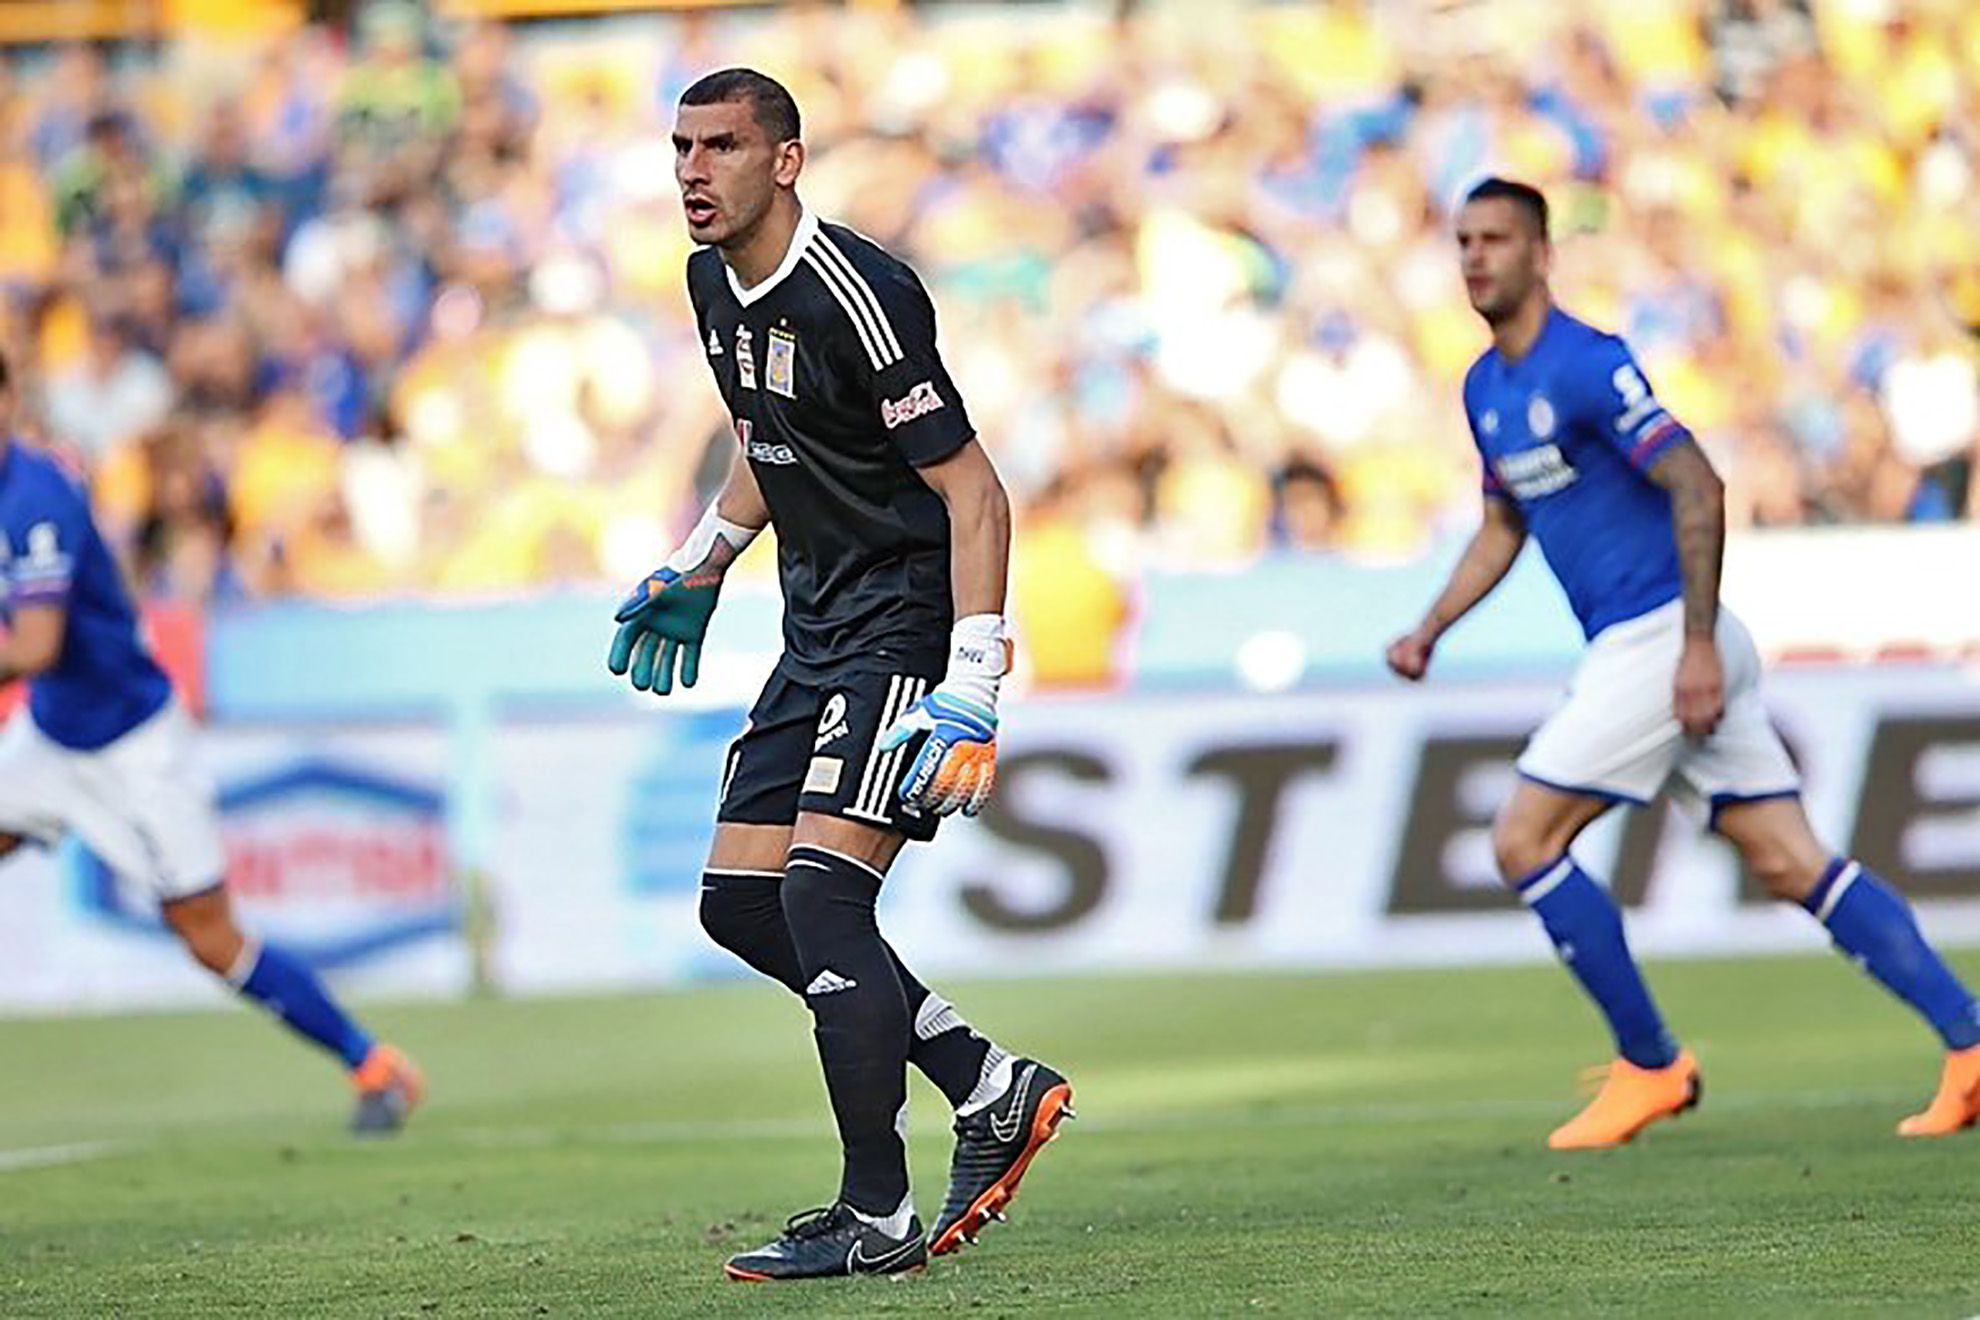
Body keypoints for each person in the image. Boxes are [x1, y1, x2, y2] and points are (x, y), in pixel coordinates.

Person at [1386, 177, 1980, 1150]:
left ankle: (1651, 1064)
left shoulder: (1587, 363)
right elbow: (1503, 524)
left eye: (1495, 239)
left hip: (1664, 636)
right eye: (1463, 241)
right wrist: (1430, 627)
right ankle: (1971, 1042)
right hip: (1658, 645)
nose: (1475, 258)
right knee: (1791, 861)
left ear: (1542, 254)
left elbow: (1696, 477)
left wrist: (1697, 644)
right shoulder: (1484, 387)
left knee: (1522, 842)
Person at [607, 69, 1074, 1282]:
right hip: (814, 627)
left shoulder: (859, 294)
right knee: (740, 902)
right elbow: (775, 441)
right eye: (681, 147)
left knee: (822, 899)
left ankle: (877, 1211)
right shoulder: (712, 280)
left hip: (906, 625)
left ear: (786, 161)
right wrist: (704, 558)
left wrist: (973, 678)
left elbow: (973, 488)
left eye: (720, 147)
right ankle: (985, 1081)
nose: (693, 172)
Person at [0, 362, 423, 1134]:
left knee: (210, 938)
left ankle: (375, 1064)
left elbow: (31, 644)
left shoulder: (36, 496)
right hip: (51, 736)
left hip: (134, 746)